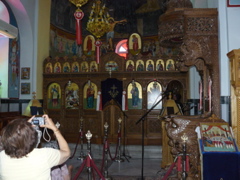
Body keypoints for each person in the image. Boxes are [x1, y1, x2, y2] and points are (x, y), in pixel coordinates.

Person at [0, 115, 71, 180]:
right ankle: (70, 169)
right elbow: (66, 152)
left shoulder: (2, 156)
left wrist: (21, 129)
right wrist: (55, 129)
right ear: (33, 139)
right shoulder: (44, 155)